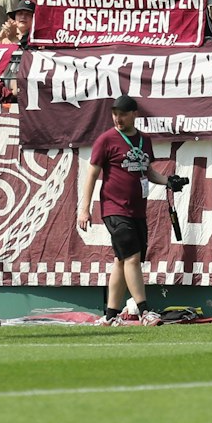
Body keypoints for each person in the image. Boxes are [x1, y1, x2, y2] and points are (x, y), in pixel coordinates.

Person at [77, 94, 168, 326]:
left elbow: (148, 171)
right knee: (132, 257)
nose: (118, 119)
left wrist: (168, 181)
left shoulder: (144, 140)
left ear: (134, 114)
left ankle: (110, 316)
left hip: (138, 211)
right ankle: (145, 311)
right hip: (114, 209)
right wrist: (84, 208)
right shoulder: (106, 140)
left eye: (123, 114)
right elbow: (92, 174)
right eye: (115, 114)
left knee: (122, 260)